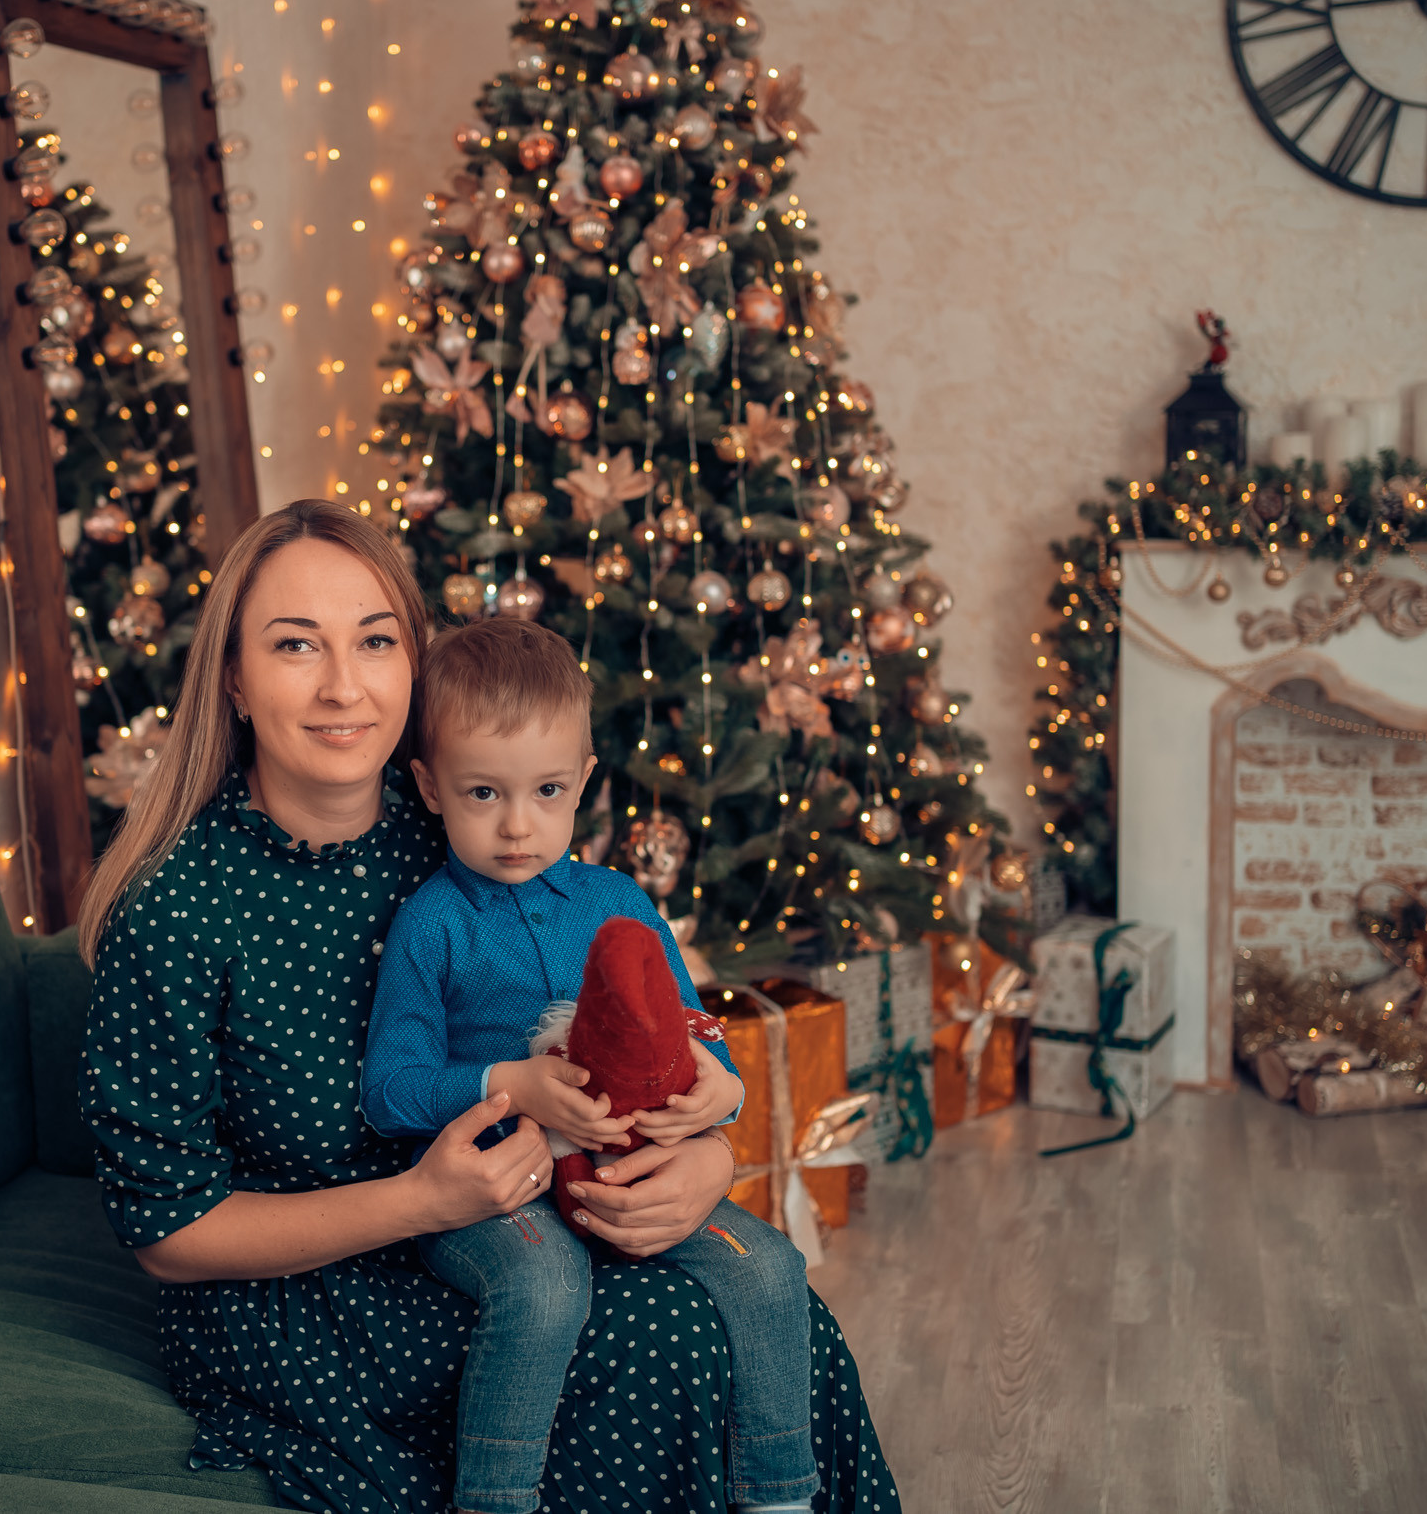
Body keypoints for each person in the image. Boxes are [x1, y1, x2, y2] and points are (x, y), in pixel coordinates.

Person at [77, 498, 901, 1514]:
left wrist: (701, 1160)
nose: (343, 684)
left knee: (760, 1294)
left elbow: (621, 1034)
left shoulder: (474, 827)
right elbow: (167, 1226)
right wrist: (423, 1201)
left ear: (413, 669)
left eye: (375, 641)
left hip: (531, 1209)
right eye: (295, 645)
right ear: (237, 679)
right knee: (663, 1337)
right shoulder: (175, 907)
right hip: (311, 1290)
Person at [363, 618, 819, 1514]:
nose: (518, 825)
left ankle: (779, 1495)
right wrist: (508, 1083)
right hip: (495, 1195)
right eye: (483, 792)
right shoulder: (432, 923)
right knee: (544, 1284)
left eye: (547, 789)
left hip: (623, 1171)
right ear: (428, 785)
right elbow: (389, 1089)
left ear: (585, 781)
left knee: (770, 1266)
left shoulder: (616, 900)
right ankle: (495, 1499)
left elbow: (696, 1031)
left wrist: (721, 1094)